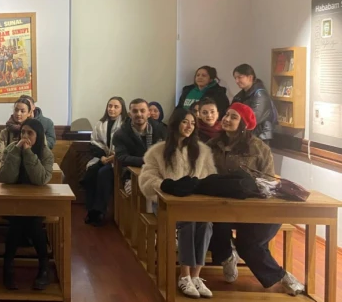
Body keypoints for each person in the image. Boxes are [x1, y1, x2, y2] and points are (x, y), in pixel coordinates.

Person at [206, 103, 304, 295]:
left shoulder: (259, 148)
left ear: (244, 123)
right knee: (208, 224)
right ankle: (227, 256)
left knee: (248, 244)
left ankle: (282, 277)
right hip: (224, 205)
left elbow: (268, 181)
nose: (227, 119)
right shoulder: (212, 145)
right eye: (226, 115)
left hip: (258, 206)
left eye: (233, 117)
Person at [140, 108, 216, 298]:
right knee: (187, 223)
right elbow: (146, 179)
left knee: (205, 223)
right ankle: (184, 275)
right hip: (166, 204)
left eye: (192, 123)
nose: (189, 126)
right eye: (185, 122)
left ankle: (196, 276)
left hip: (195, 203)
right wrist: (165, 185)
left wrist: (196, 186)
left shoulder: (202, 151)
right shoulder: (158, 151)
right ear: (175, 124)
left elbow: (211, 178)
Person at [0, 119, 54, 291]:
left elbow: (40, 179)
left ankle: (43, 268)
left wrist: (29, 153)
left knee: (32, 222)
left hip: (36, 203)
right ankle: (8, 268)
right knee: (19, 221)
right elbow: (6, 178)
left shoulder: (45, 153)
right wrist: (17, 152)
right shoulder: (11, 149)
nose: (25, 136)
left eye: (30, 133)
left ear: (39, 135)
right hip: (11, 202)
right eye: (23, 132)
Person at [80, 97, 127, 226]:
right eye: (110, 106)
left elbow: (126, 146)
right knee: (91, 173)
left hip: (118, 161)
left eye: (116, 107)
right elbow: (94, 143)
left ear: (122, 109)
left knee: (103, 174)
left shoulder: (126, 125)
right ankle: (90, 210)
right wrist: (102, 157)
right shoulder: (100, 124)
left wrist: (114, 156)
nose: (112, 109)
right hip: (103, 158)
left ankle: (99, 211)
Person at [112, 98, 167, 197]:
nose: (139, 114)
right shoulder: (120, 134)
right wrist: (147, 161)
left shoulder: (161, 130)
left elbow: (167, 152)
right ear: (130, 114)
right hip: (131, 174)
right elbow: (122, 157)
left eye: (142, 111)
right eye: (135, 111)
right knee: (136, 192)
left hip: (158, 173)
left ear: (148, 113)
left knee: (165, 190)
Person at [231, 64, 277, 143]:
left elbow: (254, 118)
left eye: (240, 77)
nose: (237, 81)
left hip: (260, 137)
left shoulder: (260, 94)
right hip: (247, 135)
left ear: (250, 77)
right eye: (235, 78)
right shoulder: (240, 95)